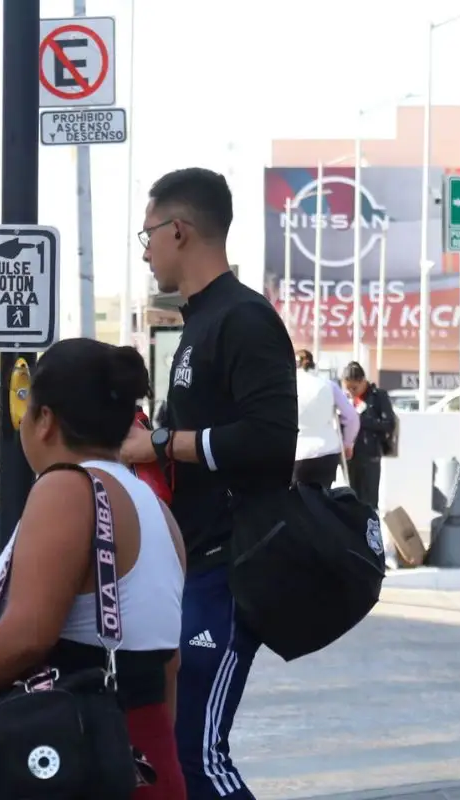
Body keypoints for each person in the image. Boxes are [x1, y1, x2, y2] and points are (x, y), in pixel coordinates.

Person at [0, 337, 188, 800]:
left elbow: (28, 634)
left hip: (70, 763)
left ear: (45, 419)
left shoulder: (67, 489)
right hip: (145, 763)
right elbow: (169, 662)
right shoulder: (155, 508)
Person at [120, 167, 298, 800]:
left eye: (147, 234)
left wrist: (160, 443)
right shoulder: (199, 320)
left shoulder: (244, 318)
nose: (145, 250)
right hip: (195, 564)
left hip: (229, 566)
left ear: (179, 230)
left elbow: (271, 442)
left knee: (197, 757)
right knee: (173, 752)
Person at [293, 349, 359, 489]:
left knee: (296, 498)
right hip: (327, 452)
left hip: (297, 452)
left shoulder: (288, 385)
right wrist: (347, 443)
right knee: (322, 497)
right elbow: (351, 417)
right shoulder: (328, 385)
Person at [340, 361, 396, 509]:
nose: (351, 391)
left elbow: (389, 423)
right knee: (351, 498)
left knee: (369, 500)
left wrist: (360, 420)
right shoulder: (345, 399)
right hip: (350, 455)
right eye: (347, 388)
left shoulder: (378, 396)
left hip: (370, 454)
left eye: (354, 388)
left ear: (363, 381)